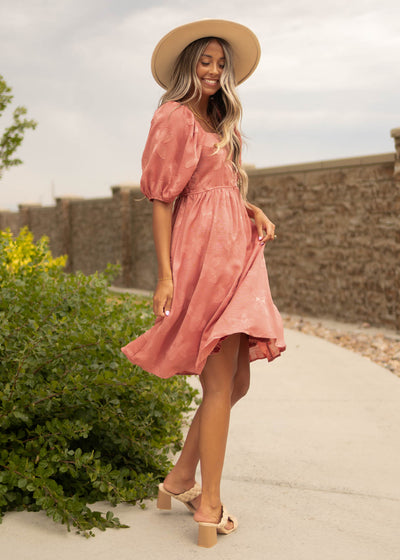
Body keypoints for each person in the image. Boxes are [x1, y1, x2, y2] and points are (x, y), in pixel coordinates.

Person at [121, 19, 286, 548]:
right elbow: (164, 198)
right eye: (205, 61)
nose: (214, 71)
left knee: (235, 382)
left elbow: (220, 187)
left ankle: (178, 479)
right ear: (188, 64)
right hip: (203, 254)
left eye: (220, 63)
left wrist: (252, 208)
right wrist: (166, 274)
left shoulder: (221, 117)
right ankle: (208, 505)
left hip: (237, 248)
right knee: (219, 383)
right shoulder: (173, 117)